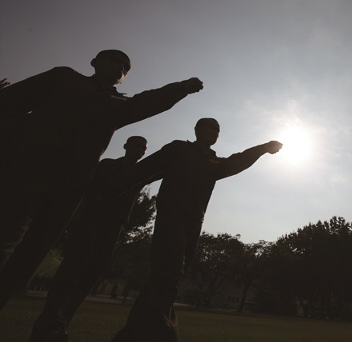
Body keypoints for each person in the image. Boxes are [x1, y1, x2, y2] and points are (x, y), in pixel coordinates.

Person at [0, 50, 203, 309]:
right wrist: (18, 145)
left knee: (30, 255)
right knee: (7, 235)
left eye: (125, 67)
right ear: (95, 62)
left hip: (70, 187)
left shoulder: (116, 106)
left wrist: (181, 88)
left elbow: (149, 102)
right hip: (28, 171)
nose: (120, 66)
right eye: (114, 60)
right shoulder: (64, 79)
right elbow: (8, 103)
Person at [112, 118, 282, 341]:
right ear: (197, 129)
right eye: (209, 126)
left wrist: (263, 149)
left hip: (193, 224)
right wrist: (111, 191)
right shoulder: (179, 149)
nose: (214, 131)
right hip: (170, 219)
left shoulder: (214, 163)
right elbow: (146, 169)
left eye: (217, 129)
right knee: (169, 273)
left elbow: (237, 160)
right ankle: (162, 333)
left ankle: (132, 334)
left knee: (169, 277)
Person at [29, 136, 149, 341]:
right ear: (126, 146)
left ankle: (63, 322)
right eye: (136, 146)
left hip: (113, 227)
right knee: (71, 270)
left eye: (143, 148)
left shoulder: (141, 172)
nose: (140, 150)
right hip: (92, 220)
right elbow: (90, 190)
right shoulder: (108, 166)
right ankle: (49, 321)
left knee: (91, 275)